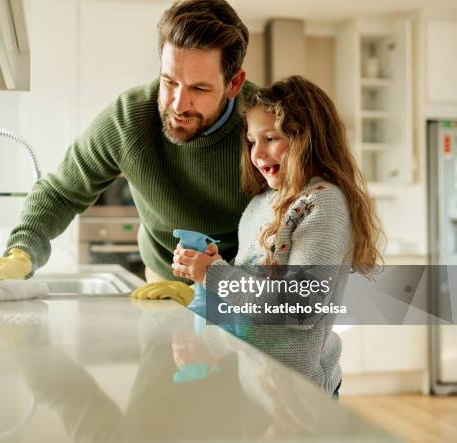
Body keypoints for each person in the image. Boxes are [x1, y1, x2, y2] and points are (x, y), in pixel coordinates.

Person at [0, 0, 256, 292]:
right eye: (169, 81)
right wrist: (23, 251)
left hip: (241, 282)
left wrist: (219, 284)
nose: (178, 104)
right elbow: (61, 192)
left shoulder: (264, 126)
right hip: (164, 277)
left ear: (234, 84)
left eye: (199, 88)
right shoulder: (129, 118)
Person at [154, 75, 383, 395]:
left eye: (271, 138)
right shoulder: (260, 205)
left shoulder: (321, 203)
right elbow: (247, 306)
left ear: (308, 138)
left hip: (303, 395)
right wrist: (208, 324)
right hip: (261, 386)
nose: (258, 154)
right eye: (252, 141)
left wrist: (215, 274)